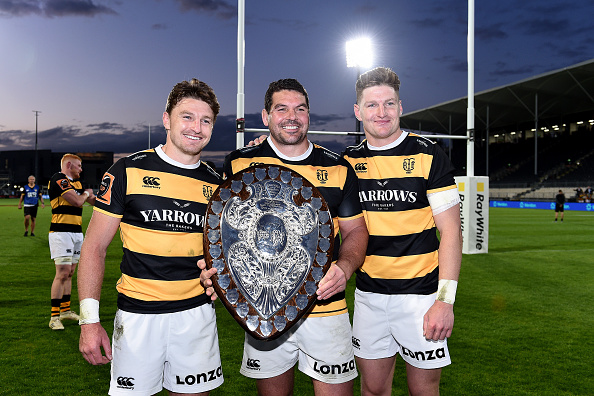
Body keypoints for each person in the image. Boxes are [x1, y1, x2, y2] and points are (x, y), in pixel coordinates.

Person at [200, 78, 368, 396]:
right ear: (266, 116)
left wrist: (344, 268)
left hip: (325, 306)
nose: (292, 116)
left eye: (299, 108)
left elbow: (356, 230)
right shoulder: (239, 163)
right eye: (282, 108)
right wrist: (216, 272)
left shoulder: (338, 167)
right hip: (264, 312)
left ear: (308, 115)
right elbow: (223, 231)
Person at [77, 78, 224, 395]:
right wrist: (89, 321)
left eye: (205, 120)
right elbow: (93, 249)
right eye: (187, 116)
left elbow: (224, 251)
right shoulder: (126, 170)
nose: (196, 127)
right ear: (166, 118)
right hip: (138, 318)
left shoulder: (217, 183)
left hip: (197, 315)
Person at [342, 67, 463, 396]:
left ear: (400, 106)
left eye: (389, 103)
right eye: (371, 105)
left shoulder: (428, 154)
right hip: (369, 297)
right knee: (373, 389)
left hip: (422, 299)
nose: (381, 113)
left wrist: (444, 302)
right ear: (357, 111)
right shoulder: (346, 163)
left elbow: (452, 233)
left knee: (424, 391)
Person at [47, 154, 96, 331]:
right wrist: (85, 194)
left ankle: (66, 311)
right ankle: (54, 317)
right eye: (79, 166)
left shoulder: (77, 184)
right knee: (62, 272)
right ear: (69, 165)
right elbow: (76, 201)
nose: (81, 169)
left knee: (70, 273)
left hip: (76, 233)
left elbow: (92, 201)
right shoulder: (59, 179)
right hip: (61, 232)